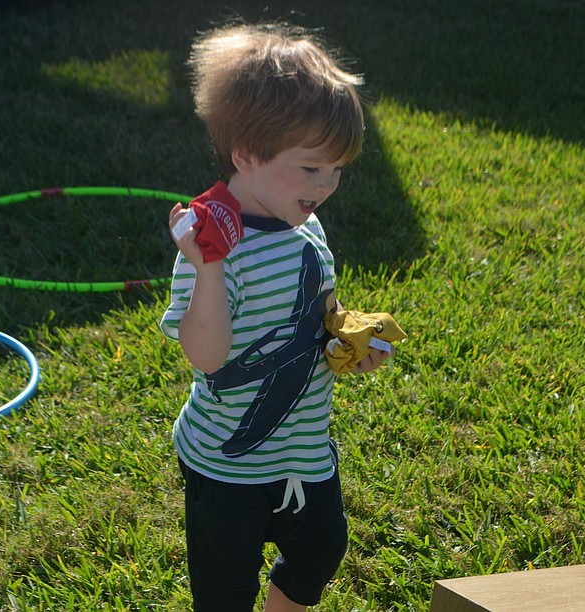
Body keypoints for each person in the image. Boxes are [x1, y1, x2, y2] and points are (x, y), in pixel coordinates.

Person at [160, 21, 393, 611]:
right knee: (225, 588)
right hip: (226, 465)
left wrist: (347, 339)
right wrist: (208, 267)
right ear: (246, 154)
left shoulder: (304, 224)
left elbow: (319, 309)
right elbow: (206, 356)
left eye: (338, 169)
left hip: (304, 447)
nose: (329, 184)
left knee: (322, 545)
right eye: (312, 168)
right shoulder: (217, 245)